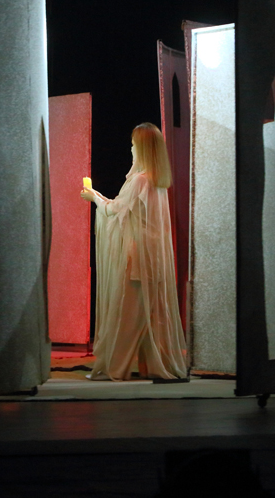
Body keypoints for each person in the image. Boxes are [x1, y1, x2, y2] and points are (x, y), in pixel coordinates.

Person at [80, 123, 187, 380]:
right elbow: (125, 210)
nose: (131, 149)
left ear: (142, 148)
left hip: (138, 257)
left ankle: (116, 368)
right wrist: (100, 198)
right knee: (151, 316)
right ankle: (153, 366)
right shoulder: (157, 181)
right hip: (154, 258)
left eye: (133, 145)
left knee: (126, 315)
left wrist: (94, 198)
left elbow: (115, 211)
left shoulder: (140, 180)